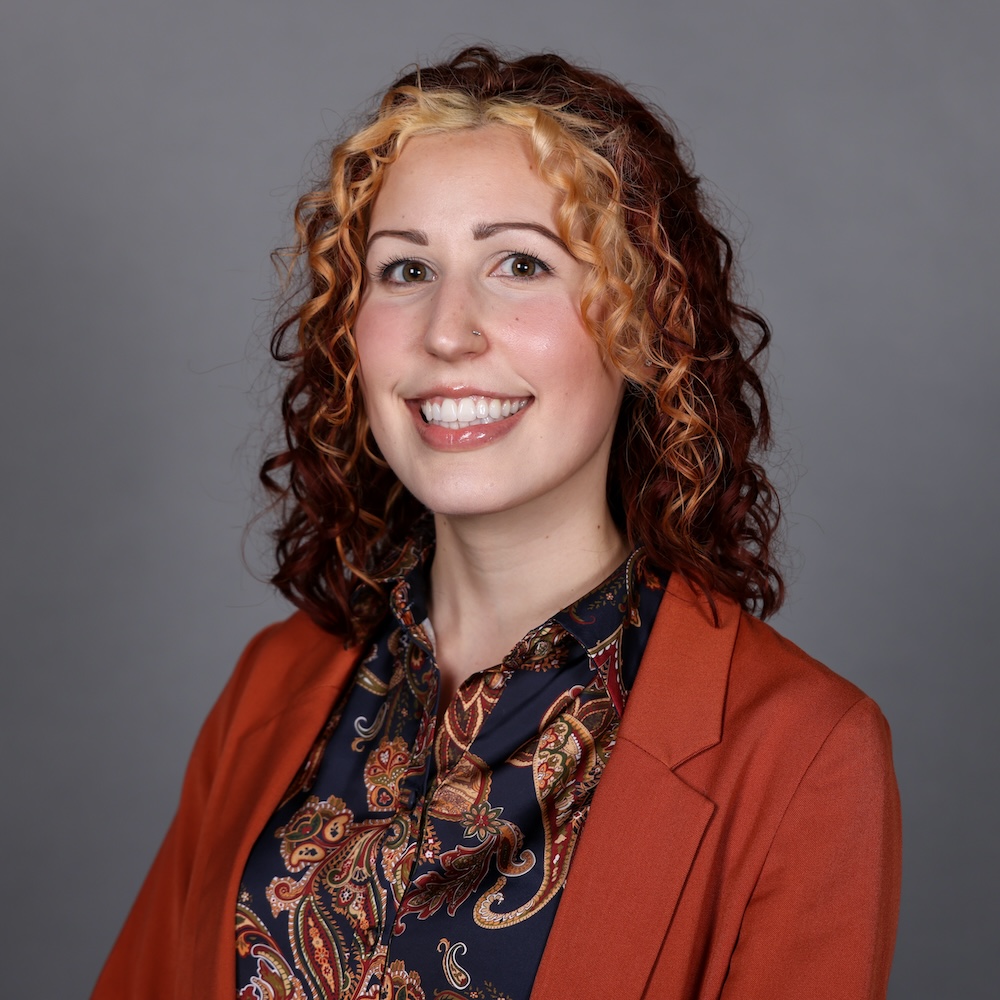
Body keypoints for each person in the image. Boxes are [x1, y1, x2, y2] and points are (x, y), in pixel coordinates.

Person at [92, 46, 901, 1000]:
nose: (448, 328)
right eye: (403, 270)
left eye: (520, 263)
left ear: (643, 323)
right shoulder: (270, 686)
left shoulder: (804, 752)